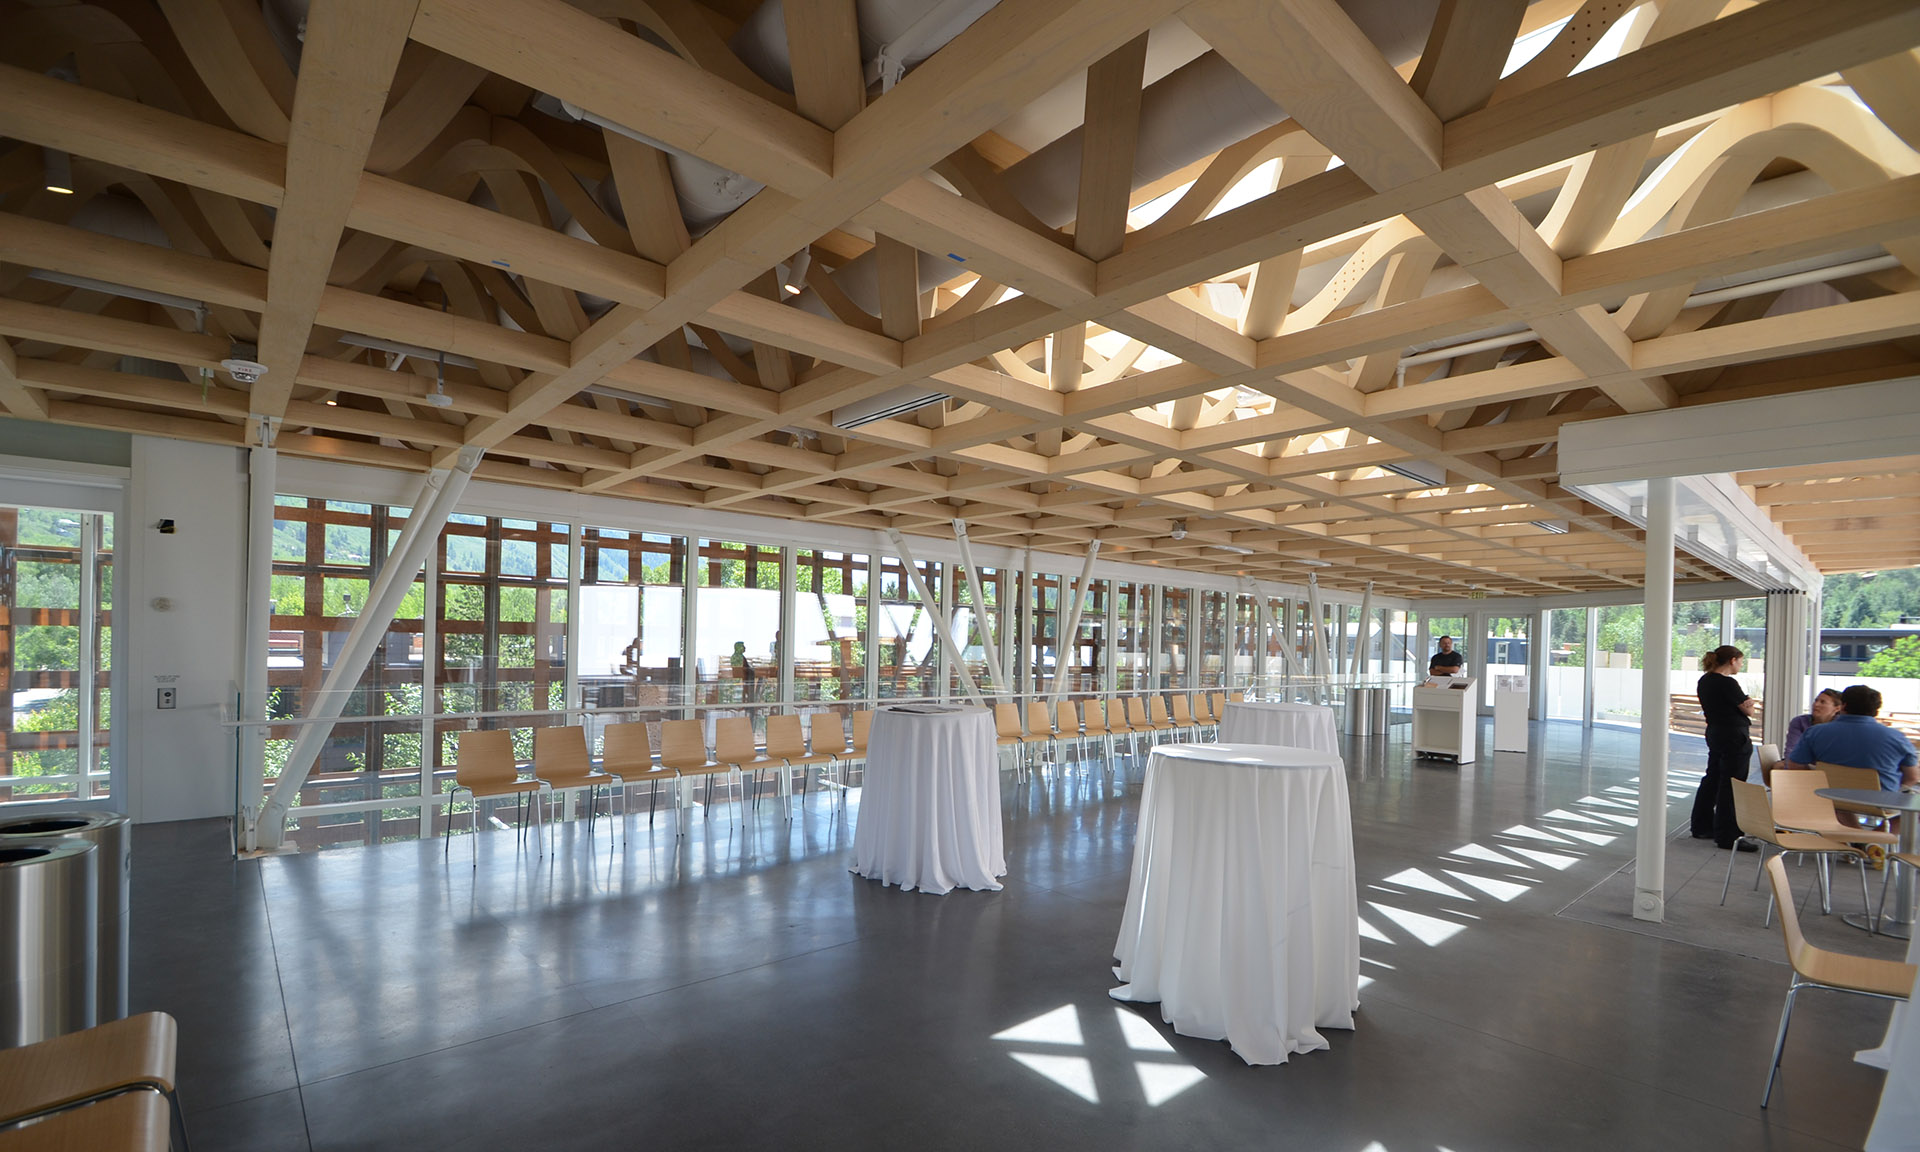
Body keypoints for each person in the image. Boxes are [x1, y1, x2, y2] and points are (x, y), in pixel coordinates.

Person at [1784, 684, 1920, 792]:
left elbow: (1795, 765)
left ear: (1843, 706)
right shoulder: (1896, 737)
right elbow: (1913, 777)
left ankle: (1849, 827)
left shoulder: (1815, 732)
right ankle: (1874, 828)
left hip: (1831, 796)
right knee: (1908, 809)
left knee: (1840, 807)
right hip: (1882, 800)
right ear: (1876, 709)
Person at [1692, 645, 1756, 850]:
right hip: (1734, 736)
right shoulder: (1728, 683)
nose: (1741, 665)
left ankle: (1702, 825)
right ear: (1732, 660)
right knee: (1732, 784)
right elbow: (1748, 711)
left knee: (1712, 778)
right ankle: (1728, 835)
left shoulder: (1705, 681)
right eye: (1740, 661)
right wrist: (1749, 703)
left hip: (1715, 733)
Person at [1782, 688, 1843, 763]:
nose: (1816, 704)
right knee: (1778, 766)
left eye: (1822, 702)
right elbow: (1791, 750)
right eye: (1816, 700)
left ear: (1837, 708)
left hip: (1829, 768)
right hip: (1800, 766)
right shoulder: (1800, 722)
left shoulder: (1841, 725)